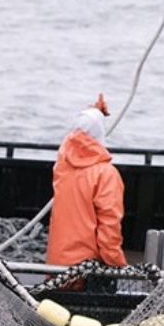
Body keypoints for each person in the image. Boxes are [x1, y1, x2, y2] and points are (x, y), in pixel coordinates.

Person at [46, 94, 127, 268]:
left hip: (56, 264)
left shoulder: (62, 165)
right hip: (87, 269)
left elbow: (76, 136)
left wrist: (94, 113)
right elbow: (109, 228)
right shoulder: (106, 174)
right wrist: (118, 265)